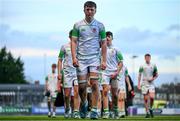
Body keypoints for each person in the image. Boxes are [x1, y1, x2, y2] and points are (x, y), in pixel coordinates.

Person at [71, 1, 107, 119]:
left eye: (92, 9)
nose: (90, 11)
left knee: (95, 84)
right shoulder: (77, 25)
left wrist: (104, 60)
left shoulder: (100, 26)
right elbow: (74, 41)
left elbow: (104, 43)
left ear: (95, 11)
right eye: (87, 9)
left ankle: (95, 110)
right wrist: (74, 57)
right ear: (84, 10)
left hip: (94, 59)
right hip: (81, 59)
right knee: (81, 87)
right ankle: (84, 103)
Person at [58, 30, 80, 119]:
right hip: (67, 73)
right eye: (73, 36)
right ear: (70, 37)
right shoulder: (64, 47)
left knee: (76, 92)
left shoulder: (80, 47)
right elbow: (60, 60)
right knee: (67, 95)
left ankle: (76, 112)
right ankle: (67, 109)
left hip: (77, 72)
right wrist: (59, 73)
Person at [101, 31, 123, 119]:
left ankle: (115, 110)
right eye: (106, 36)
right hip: (104, 73)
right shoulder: (101, 49)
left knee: (115, 94)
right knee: (105, 91)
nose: (107, 38)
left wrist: (116, 73)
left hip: (114, 73)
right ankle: (106, 112)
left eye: (109, 36)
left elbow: (121, 62)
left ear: (112, 38)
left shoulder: (116, 49)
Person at [138, 53, 158, 118]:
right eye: (146, 58)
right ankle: (147, 113)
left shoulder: (153, 65)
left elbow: (157, 74)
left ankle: (151, 108)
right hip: (144, 83)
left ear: (150, 58)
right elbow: (139, 75)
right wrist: (138, 84)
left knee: (152, 97)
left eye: (148, 58)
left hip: (151, 84)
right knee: (146, 99)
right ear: (145, 58)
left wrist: (152, 78)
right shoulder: (142, 66)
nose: (147, 59)